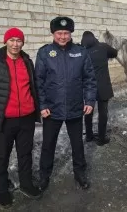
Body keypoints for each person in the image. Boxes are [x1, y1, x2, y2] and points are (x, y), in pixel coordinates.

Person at [0, 27, 42, 208]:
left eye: (18, 40)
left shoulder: (27, 61)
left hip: (26, 117)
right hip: (4, 119)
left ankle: (26, 185)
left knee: (25, 154)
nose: (15, 44)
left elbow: (33, 88)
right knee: (2, 156)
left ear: (23, 43)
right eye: (11, 40)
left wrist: (39, 108)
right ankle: (2, 191)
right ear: (5, 41)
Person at [35, 16, 97, 191]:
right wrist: (42, 105)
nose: (62, 36)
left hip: (75, 107)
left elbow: (90, 79)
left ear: (71, 33)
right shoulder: (45, 53)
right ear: (53, 33)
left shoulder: (81, 52)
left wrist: (90, 100)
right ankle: (44, 176)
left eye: (66, 33)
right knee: (48, 145)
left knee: (78, 144)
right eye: (59, 33)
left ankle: (80, 173)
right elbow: (38, 82)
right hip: (52, 109)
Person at [81, 31, 118, 146]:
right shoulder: (103, 46)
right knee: (103, 113)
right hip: (103, 86)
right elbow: (115, 53)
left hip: (88, 87)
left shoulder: (82, 51)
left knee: (88, 111)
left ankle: (89, 135)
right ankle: (101, 138)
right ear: (94, 38)